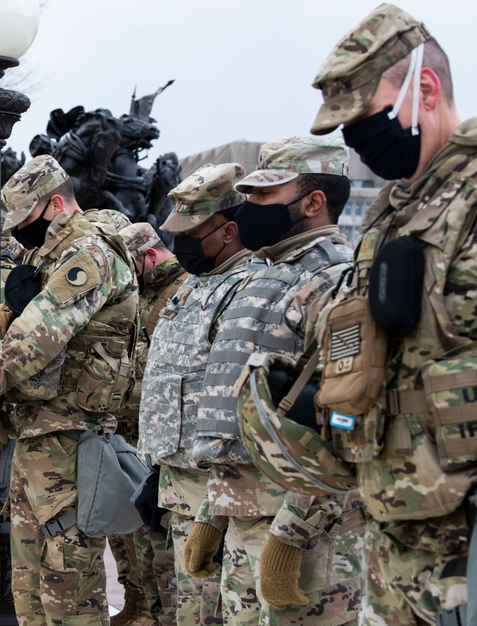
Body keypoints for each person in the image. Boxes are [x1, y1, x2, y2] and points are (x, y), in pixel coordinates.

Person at [309, 2, 477, 624]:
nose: (358, 140)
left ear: (425, 89)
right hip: (391, 530)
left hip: (464, 546)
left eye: (367, 119)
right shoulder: (392, 212)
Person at [0, 155, 139, 626]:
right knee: (29, 587)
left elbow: (35, 338)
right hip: (38, 434)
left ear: (56, 203)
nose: (18, 234)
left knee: (68, 588)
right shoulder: (48, 257)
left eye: (25, 221)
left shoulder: (89, 255)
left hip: (72, 439)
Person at [183, 136, 362, 624]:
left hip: (306, 531)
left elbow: (347, 422)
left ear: (313, 202)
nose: (249, 209)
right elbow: (236, 415)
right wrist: (213, 513)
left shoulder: (336, 282)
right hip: (247, 517)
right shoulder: (260, 279)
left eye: (264, 195)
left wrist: (293, 532)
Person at [137, 163, 257, 626]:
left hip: (218, 496)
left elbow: (233, 407)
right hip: (179, 483)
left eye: (192, 231)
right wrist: (157, 469)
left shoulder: (246, 289)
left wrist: (214, 503)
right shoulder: (195, 286)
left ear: (228, 231)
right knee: (186, 609)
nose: (179, 243)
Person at [116, 222, 190, 626]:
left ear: (148, 256)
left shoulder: (180, 293)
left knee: (162, 552)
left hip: (161, 444)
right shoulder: (144, 295)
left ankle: (155, 614)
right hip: (132, 436)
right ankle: (139, 605)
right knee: (133, 542)